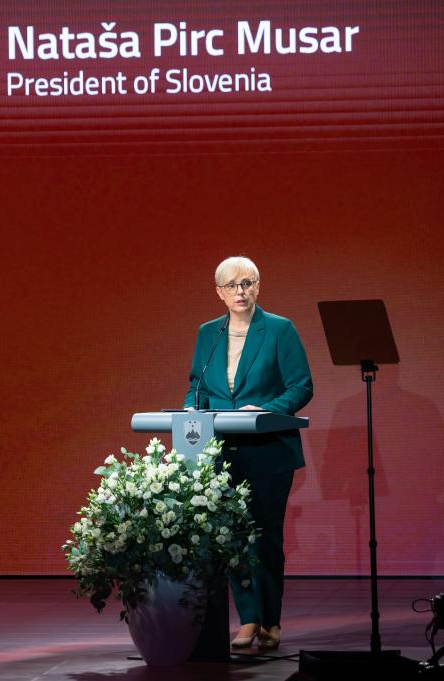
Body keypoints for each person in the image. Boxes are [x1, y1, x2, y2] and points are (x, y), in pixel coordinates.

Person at [183, 256, 312, 650]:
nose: (240, 291)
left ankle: (271, 621)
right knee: (231, 536)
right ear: (219, 292)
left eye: (247, 283)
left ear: (258, 286)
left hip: (268, 450)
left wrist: (266, 410)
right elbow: (196, 386)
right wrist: (190, 409)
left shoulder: (279, 329)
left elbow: (301, 386)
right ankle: (248, 619)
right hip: (220, 451)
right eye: (231, 285)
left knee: (264, 537)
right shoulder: (209, 333)